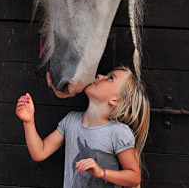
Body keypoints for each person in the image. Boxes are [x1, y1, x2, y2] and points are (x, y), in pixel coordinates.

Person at [16, 65, 150, 188]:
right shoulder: (71, 121)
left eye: (110, 78)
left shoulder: (118, 132)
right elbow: (39, 153)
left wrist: (100, 172)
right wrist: (28, 121)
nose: (99, 76)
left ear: (115, 100)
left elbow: (134, 177)